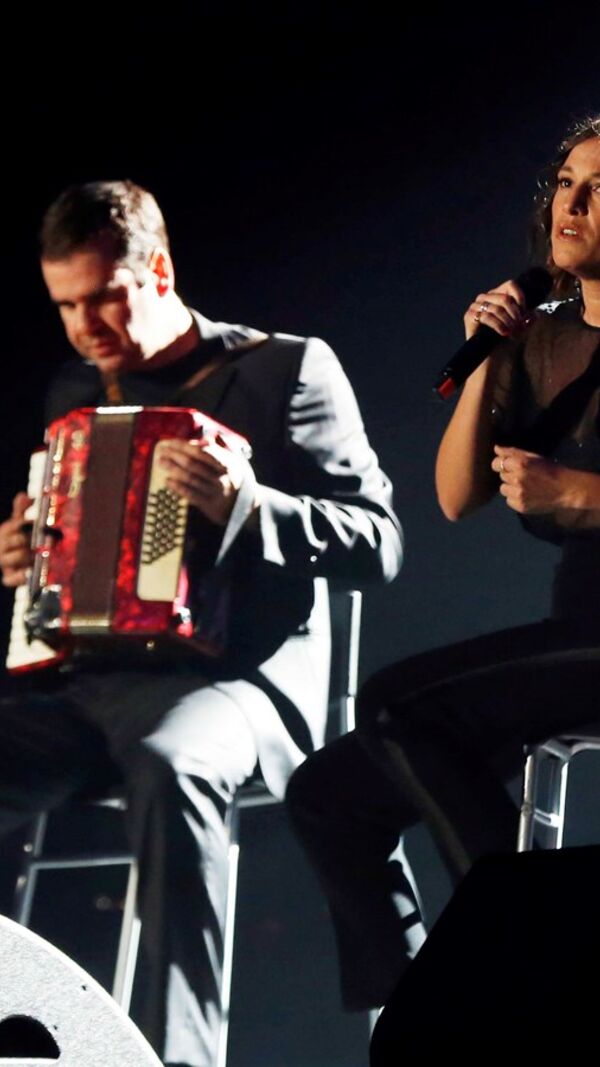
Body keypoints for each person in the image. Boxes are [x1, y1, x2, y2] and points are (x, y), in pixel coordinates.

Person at [0, 180, 403, 1067]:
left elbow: (380, 541)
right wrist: (31, 558)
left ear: (161, 270)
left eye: (104, 297)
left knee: (172, 759)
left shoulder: (284, 368)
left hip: (243, 685)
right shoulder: (74, 387)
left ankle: (174, 1062)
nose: (85, 329)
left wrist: (252, 504)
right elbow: (63, 543)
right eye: (65, 306)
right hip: (94, 685)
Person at [286, 114, 600, 1015]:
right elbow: (458, 496)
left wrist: (578, 495)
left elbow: (563, 493)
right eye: (564, 184)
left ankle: (531, 962)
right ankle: (424, 1011)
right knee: (327, 797)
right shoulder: (541, 334)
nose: (569, 206)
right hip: (570, 639)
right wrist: (486, 362)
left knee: (392, 698)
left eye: (598, 189)